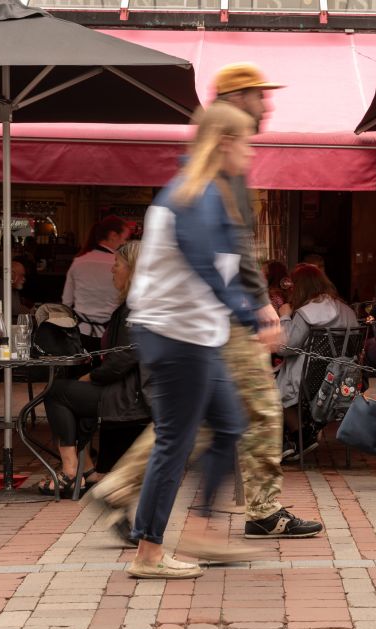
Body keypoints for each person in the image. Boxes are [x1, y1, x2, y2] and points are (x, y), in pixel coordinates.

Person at [90, 63, 323, 544]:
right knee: (247, 410)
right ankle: (245, 513)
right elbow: (228, 249)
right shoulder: (219, 168)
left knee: (203, 417)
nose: (268, 104)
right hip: (209, 316)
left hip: (203, 316)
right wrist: (255, 307)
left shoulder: (213, 164)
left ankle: (135, 499)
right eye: (261, 94)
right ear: (238, 100)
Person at [125, 103, 268, 579]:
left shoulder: (207, 193)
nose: (251, 152)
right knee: (174, 442)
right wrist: (252, 317)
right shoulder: (195, 196)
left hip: (195, 336)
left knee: (228, 426)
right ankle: (147, 550)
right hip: (176, 336)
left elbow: (219, 265)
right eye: (247, 141)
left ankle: (202, 530)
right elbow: (207, 265)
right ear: (226, 142)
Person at [40, 241, 150, 497]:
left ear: (133, 269)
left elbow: (125, 356)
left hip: (131, 395)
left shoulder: (136, 306)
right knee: (73, 390)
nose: (112, 270)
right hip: (132, 390)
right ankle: (86, 470)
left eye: (117, 265)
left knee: (56, 392)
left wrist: (93, 376)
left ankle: (70, 471)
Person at [275, 263, 359, 460]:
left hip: (308, 380)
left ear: (299, 287)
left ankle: (299, 436)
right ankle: (300, 436)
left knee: (272, 385)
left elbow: (286, 347)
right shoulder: (347, 310)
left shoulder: (306, 313)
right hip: (340, 378)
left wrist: (285, 316)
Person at [63, 215, 130, 353]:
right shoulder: (121, 265)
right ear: (113, 235)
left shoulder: (79, 261)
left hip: (81, 333)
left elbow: (66, 302)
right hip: (112, 335)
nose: (125, 243)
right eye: (125, 238)